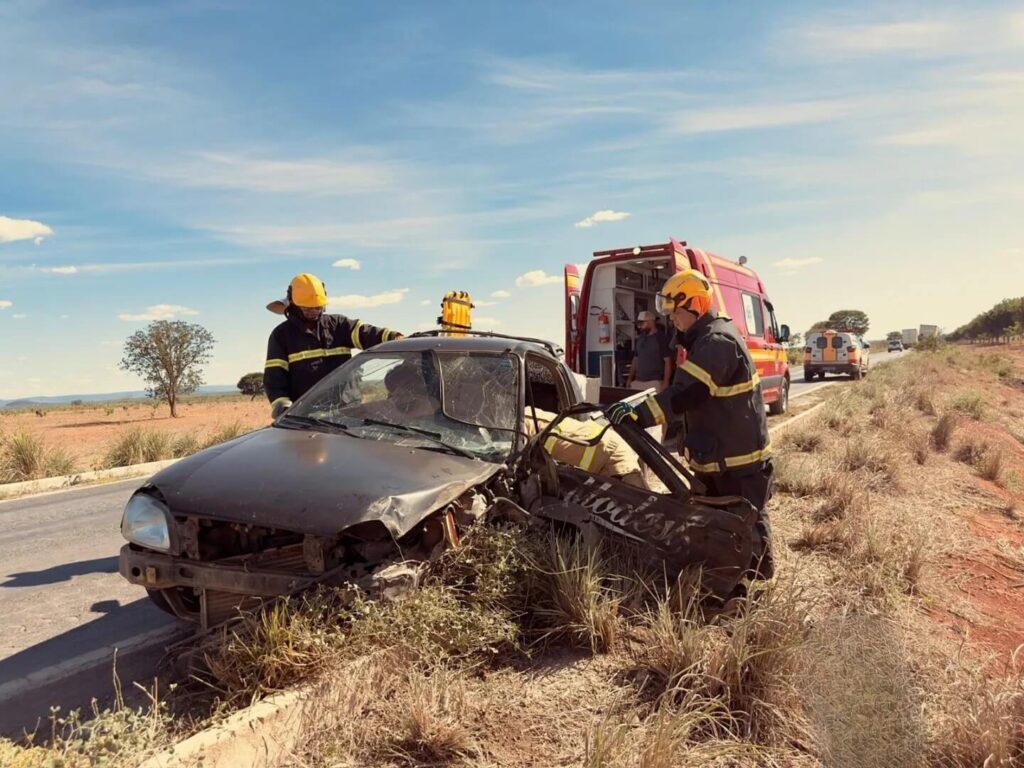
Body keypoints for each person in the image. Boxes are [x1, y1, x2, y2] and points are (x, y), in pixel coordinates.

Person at [607, 269, 773, 577]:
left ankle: (755, 588)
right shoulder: (707, 338)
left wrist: (641, 414)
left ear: (695, 305)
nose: (672, 320)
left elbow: (686, 394)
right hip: (721, 455)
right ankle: (730, 579)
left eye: (676, 313)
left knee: (745, 523)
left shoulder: (717, 342)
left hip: (737, 461)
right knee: (723, 525)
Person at [264, 273, 403, 417]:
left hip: (348, 412)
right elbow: (274, 378)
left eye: (318, 308)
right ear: (293, 304)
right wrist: (282, 406)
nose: (314, 313)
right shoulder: (281, 335)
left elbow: (366, 333)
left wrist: (394, 337)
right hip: (308, 417)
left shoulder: (339, 326)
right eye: (307, 309)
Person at [525, 406, 646, 488]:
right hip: (608, 446)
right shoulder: (523, 417)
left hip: (610, 451)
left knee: (639, 508)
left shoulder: (522, 420)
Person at [627, 310, 673, 393]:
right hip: (638, 381)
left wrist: (666, 382)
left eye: (642, 323)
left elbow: (668, 361)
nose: (640, 326)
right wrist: (630, 378)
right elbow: (635, 359)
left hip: (655, 382)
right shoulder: (640, 339)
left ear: (651, 322)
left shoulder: (661, 338)